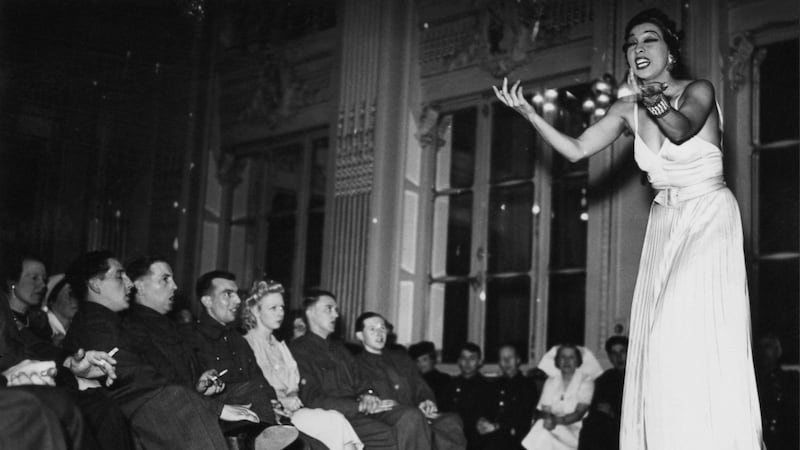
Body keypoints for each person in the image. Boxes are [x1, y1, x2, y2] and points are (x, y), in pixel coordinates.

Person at [493, 8, 763, 449]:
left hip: (708, 216)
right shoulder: (625, 109)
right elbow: (578, 150)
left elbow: (678, 130)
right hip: (666, 222)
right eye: (631, 43)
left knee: (681, 332)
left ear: (670, 50)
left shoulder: (698, 89)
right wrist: (529, 115)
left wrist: (650, 95)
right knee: (656, 346)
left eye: (649, 39)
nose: (638, 48)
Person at [63, 250, 272, 450]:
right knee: (178, 398)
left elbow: (152, 373)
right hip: (145, 409)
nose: (128, 284)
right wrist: (212, 406)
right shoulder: (95, 322)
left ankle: (264, 438)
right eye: (119, 276)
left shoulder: (113, 322)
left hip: (165, 400)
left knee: (249, 390)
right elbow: (131, 376)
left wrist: (197, 386)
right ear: (95, 285)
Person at [182, 270, 301, 449]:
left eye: (237, 294)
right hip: (221, 419)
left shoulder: (238, 340)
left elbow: (260, 380)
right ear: (207, 301)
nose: (237, 300)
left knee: (314, 445)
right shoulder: (190, 338)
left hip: (255, 414)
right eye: (228, 294)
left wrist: (272, 401)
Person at [242, 279, 364, 450]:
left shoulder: (280, 346)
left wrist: (291, 397)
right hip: (267, 416)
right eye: (273, 308)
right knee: (332, 426)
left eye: (282, 307)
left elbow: (295, 385)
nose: (280, 313)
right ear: (256, 310)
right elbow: (249, 389)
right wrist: (280, 400)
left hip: (293, 412)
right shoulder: (245, 345)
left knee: (335, 420)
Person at [288, 289, 401, 449]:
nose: (336, 315)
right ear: (310, 312)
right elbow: (311, 399)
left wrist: (368, 394)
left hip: (356, 412)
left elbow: (360, 380)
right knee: (386, 435)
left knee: (404, 420)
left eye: (336, 310)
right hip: (332, 416)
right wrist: (358, 406)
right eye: (329, 309)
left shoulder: (340, 349)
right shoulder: (298, 351)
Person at [354, 311, 467, 449]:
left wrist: (426, 401)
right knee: (412, 417)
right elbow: (356, 389)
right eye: (372, 329)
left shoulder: (401, 358)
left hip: (413, 411)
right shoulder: (355, 363)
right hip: (384, 414)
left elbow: (420, 386)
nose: (379, 333)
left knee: (451, 421)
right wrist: (366, 396)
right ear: (360, 335)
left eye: (382, 328)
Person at [521, 344, 593, 450]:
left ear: (578, 361)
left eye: (571, 357)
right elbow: (545, 409)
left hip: (576, 430)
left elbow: (579, 414)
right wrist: (549, 419)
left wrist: (555, 421)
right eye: (562, 357)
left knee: (542, 432)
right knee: (544, 433)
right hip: (552, 427)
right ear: (557, 361)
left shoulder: (586, 381)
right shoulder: (551, 381)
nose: (566, 361)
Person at [476, 343, 538, 450]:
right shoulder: (495, 385)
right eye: (503, 358)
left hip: (516, 434)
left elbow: (523, 416)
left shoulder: (527, 385)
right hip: (494, 433)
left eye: (510, 357)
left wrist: (497, 426)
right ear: (499, 363)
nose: (506, 361)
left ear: (518, 360)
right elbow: (486, 408)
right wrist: (481, 421)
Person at [439, 342, 493, 450]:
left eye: (472, 358)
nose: (467, 362)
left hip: (475, 437)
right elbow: (442, 411)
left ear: (480, 362)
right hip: (451, 435)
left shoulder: (488, 388)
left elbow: (487, 416)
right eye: (464, 358)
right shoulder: (449, 386)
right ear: (458, 361)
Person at [578, 336, 628, 450]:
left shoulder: (640, 379)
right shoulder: (605, 378)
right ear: (610, 357)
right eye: (614, 353)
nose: (618, 357)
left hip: (626, 425)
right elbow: (595, 405)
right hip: (606, 424)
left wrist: (613, 413)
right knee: (591, 426)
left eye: (622, 351)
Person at [754, 333, 799, 450]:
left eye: (768, 346)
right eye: (761, 347)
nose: (764, 351)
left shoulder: (791, 379)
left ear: (778, 351)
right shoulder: (753, 381)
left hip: (785, 438)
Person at [408, 340, 451, 405]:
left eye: (424, 359)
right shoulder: (413, 379)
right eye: (417, 361)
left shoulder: (443, 379)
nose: (421, 364)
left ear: (432, 360)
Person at [45, 276, 79, 346]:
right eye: (70, 294)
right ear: (52, 300)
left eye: (77, 294)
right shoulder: (43, 328)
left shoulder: (77, 329)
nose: (75, 300)